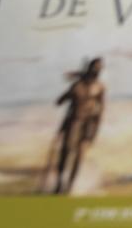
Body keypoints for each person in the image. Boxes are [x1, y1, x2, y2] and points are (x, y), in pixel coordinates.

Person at [49, 57, 106, 195]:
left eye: (99, 68)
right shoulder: (77, 86)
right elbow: (58, 102)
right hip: (73, 123)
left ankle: (69, 186)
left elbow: (100, 111)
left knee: (79, 157)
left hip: (88, 125)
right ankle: (59, 184)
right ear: (89, 69)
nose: (97, 70)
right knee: (66, 153)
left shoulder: (100, 87)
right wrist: (71, 91)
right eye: (95, 67)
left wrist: (94, 133)